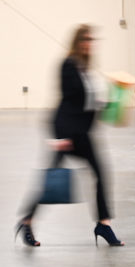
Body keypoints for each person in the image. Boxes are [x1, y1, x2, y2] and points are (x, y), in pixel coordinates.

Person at [15, 24, 123, 248]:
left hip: (82, 134)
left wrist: (117, 99)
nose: (88, 43)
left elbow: (90, 102)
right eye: (85, 39)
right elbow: (67, 103)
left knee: (99, 173)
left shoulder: (84, 67)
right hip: (68, 134)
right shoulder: (68, 65)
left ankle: (103, 223)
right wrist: (60, 137)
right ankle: (27, 220)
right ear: (77, 41)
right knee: (52, 181)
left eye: (91, 40)